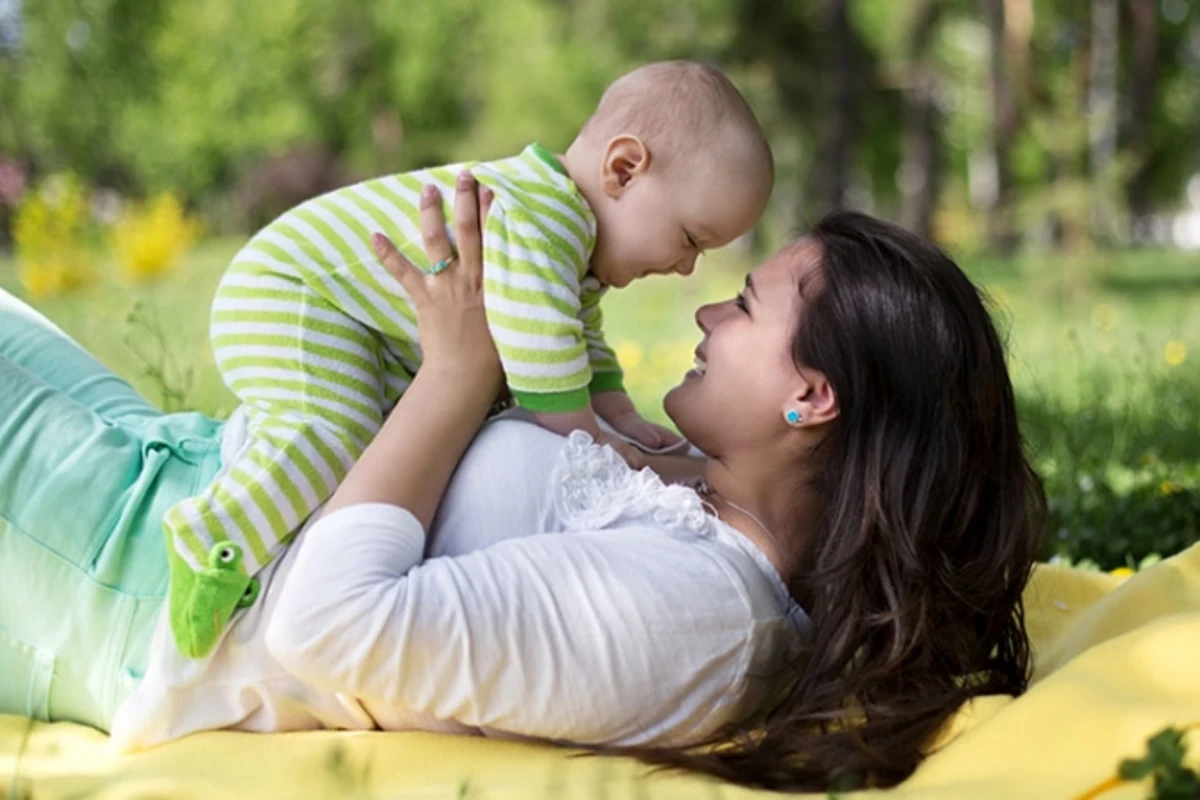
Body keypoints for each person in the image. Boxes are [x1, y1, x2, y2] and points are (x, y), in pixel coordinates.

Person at [0, 176, 1044, 792]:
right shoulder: (700, 504)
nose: (707, 315)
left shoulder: (701, 618)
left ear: (811, 396)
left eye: (747, 303)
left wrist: (458, 374)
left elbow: (321, 625)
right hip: (159, 477)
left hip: (125, 575)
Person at [164, 60, 776, 660]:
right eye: (691, 238)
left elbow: (576, 337)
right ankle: (216, 537)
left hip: (338, 310)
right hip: (292, 293)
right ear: (623, 170)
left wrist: (617, 409)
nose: (688, 267)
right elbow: (544, 357)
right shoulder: (541, 219)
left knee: (369, 442)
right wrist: (595, 444)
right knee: (336, 429)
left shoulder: (569, 235)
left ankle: (259, 534)